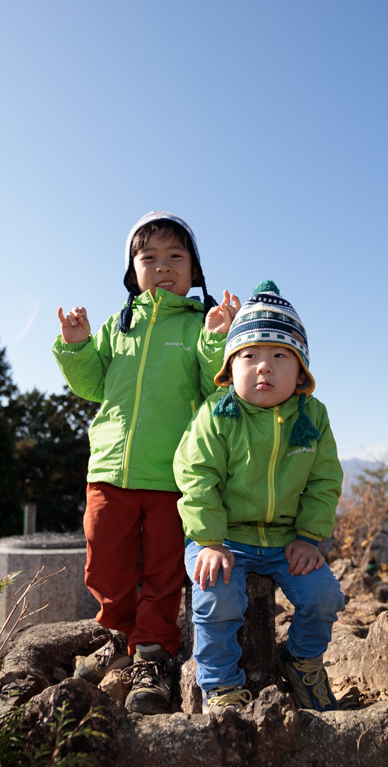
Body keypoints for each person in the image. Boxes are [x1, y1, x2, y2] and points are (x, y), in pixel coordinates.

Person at [53, 212, 238, 715]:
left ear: (195, 271)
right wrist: (77, 346)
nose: (162, 267)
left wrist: (219, 337)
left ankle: (153, 655)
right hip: (110, 469)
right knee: (105, 563)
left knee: (162, 574)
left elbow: (213, 384)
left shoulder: (199, 325)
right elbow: (92, 385)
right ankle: (118, 636)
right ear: (132, 271)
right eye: (149, 257)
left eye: (176, 257)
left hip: (173, 475)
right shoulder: (120, 325)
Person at [173, 281, 345, 715]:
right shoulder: (218, 413)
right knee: (218, 597)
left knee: (324, 595)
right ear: (230, 369)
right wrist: (210, 541)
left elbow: (325, 480)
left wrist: (309, 536)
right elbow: (196, 477)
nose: (263, 368)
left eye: (279, 356)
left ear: (301, 371)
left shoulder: (312, 416)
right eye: (248, 356)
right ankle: (220, 687)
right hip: (222, 537)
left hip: (288, 540)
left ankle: (303, 661)